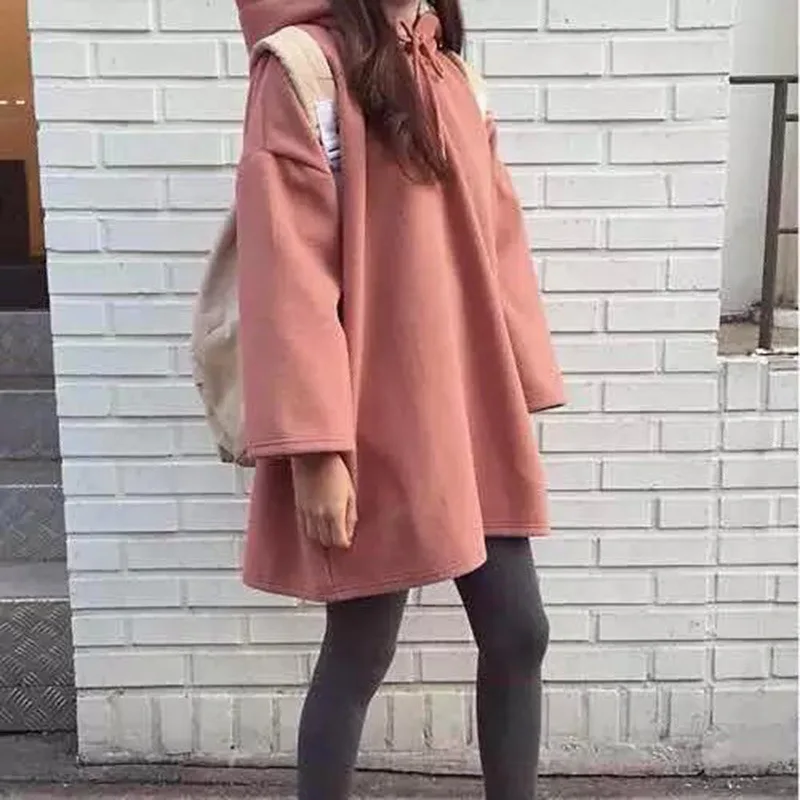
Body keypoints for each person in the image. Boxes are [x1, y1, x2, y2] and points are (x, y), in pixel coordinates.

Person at [234, 0, 565, 797]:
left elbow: (499, 237)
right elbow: (287, 268)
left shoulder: (454, 74)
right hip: (371, 416)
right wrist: (315, 449)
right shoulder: (303, 67)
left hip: (468, 406)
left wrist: (519, 377)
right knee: (360, 649)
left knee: (519, 632)